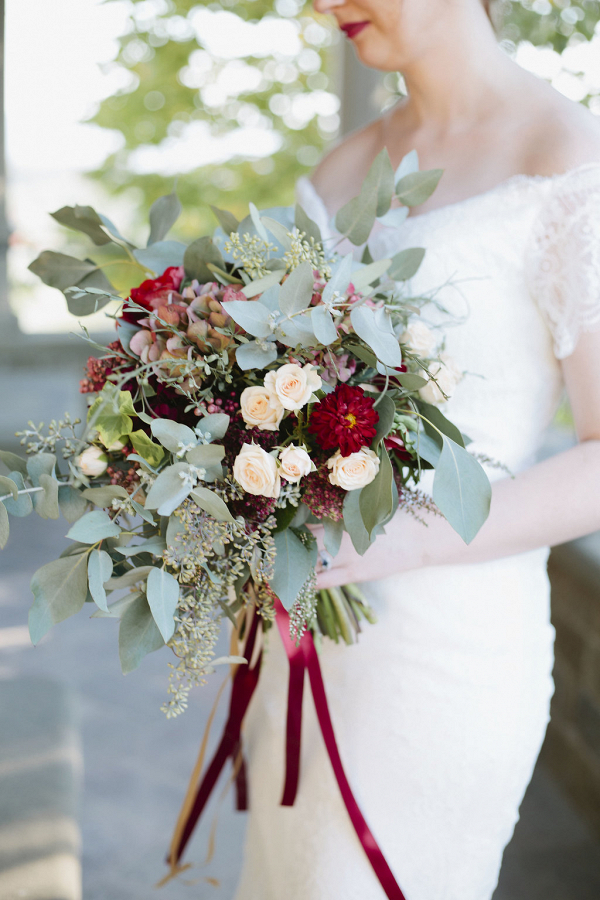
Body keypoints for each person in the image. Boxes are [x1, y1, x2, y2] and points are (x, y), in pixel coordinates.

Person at [233, 2, 600, 898]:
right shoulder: (343, 168)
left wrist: (391, 541)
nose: (323, 4)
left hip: (447, 658)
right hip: (308, 647)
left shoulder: (567, 158)